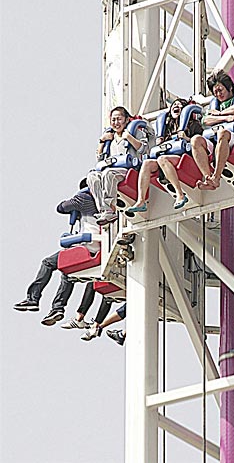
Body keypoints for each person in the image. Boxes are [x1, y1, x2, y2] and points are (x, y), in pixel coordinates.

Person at [14, 180, 99, 326]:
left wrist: (75, 202)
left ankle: (33, 299)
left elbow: (61, 208)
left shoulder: (84, 198)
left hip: (87, 246)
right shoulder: (104, 202)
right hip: (99, 248)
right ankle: (57, 309)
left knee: (47, 263)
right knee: (68, 273)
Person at [128, 98, 203, 212]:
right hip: (166, 158)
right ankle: (141, 201)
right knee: (147, 163)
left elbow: (198, 142)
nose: (176, 106)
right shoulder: (167, 128)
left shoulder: (193, 125)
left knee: (162, 159)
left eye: (180, 105)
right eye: (174, 104)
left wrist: (186, 138)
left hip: (184, 157)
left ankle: (180, 194)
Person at [190, 69, 234, 190]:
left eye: (220, 90)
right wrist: (224, 117)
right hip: (216, 140)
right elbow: (205, 120)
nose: (218, 94)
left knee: (222, 133)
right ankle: (208, 178)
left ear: (229, 87)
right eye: (215, 92)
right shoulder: (215, 104)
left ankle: (216, 177)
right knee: (195, 140)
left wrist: (218, 114)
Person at [87, 106, 150, 225]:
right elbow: (100, 159)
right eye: (113, 120)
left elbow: (144, 149)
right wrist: (102, 141)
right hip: (111, 168)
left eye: (119, 119)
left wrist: (129, 137)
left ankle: (110, 209)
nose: (116, 123)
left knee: (108, 174)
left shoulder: (134, 132)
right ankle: (104, 210)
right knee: (92, 177)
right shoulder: (110, 138)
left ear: (126, 119)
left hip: (128, 170)